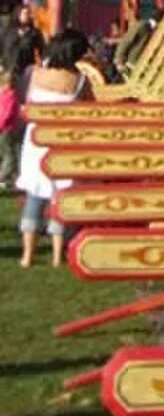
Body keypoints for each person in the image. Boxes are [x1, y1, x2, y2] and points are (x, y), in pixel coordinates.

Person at [16, 28, 94, 266]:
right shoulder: (79, 81)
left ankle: (27, 254)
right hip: (65, 143)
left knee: (35, 194)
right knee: (60, 195)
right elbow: (91, 110)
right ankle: (57, 254)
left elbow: (28, 104)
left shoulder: (37, 74)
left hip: (37, 140)